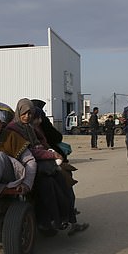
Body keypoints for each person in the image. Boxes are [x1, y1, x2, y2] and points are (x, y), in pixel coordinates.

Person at [7, 99, 88, 234]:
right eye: (24, 113)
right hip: (23, 166)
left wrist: (48, 152)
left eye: (29, 113)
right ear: (19, 112)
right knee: (49, 184)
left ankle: (65, 220)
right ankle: (53, 221)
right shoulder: (13, 129)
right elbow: (26, 151)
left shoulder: (28, 127)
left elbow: (41, 143)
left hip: (38, 163)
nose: (27, 116)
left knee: (61, 181)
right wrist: (51, 155)